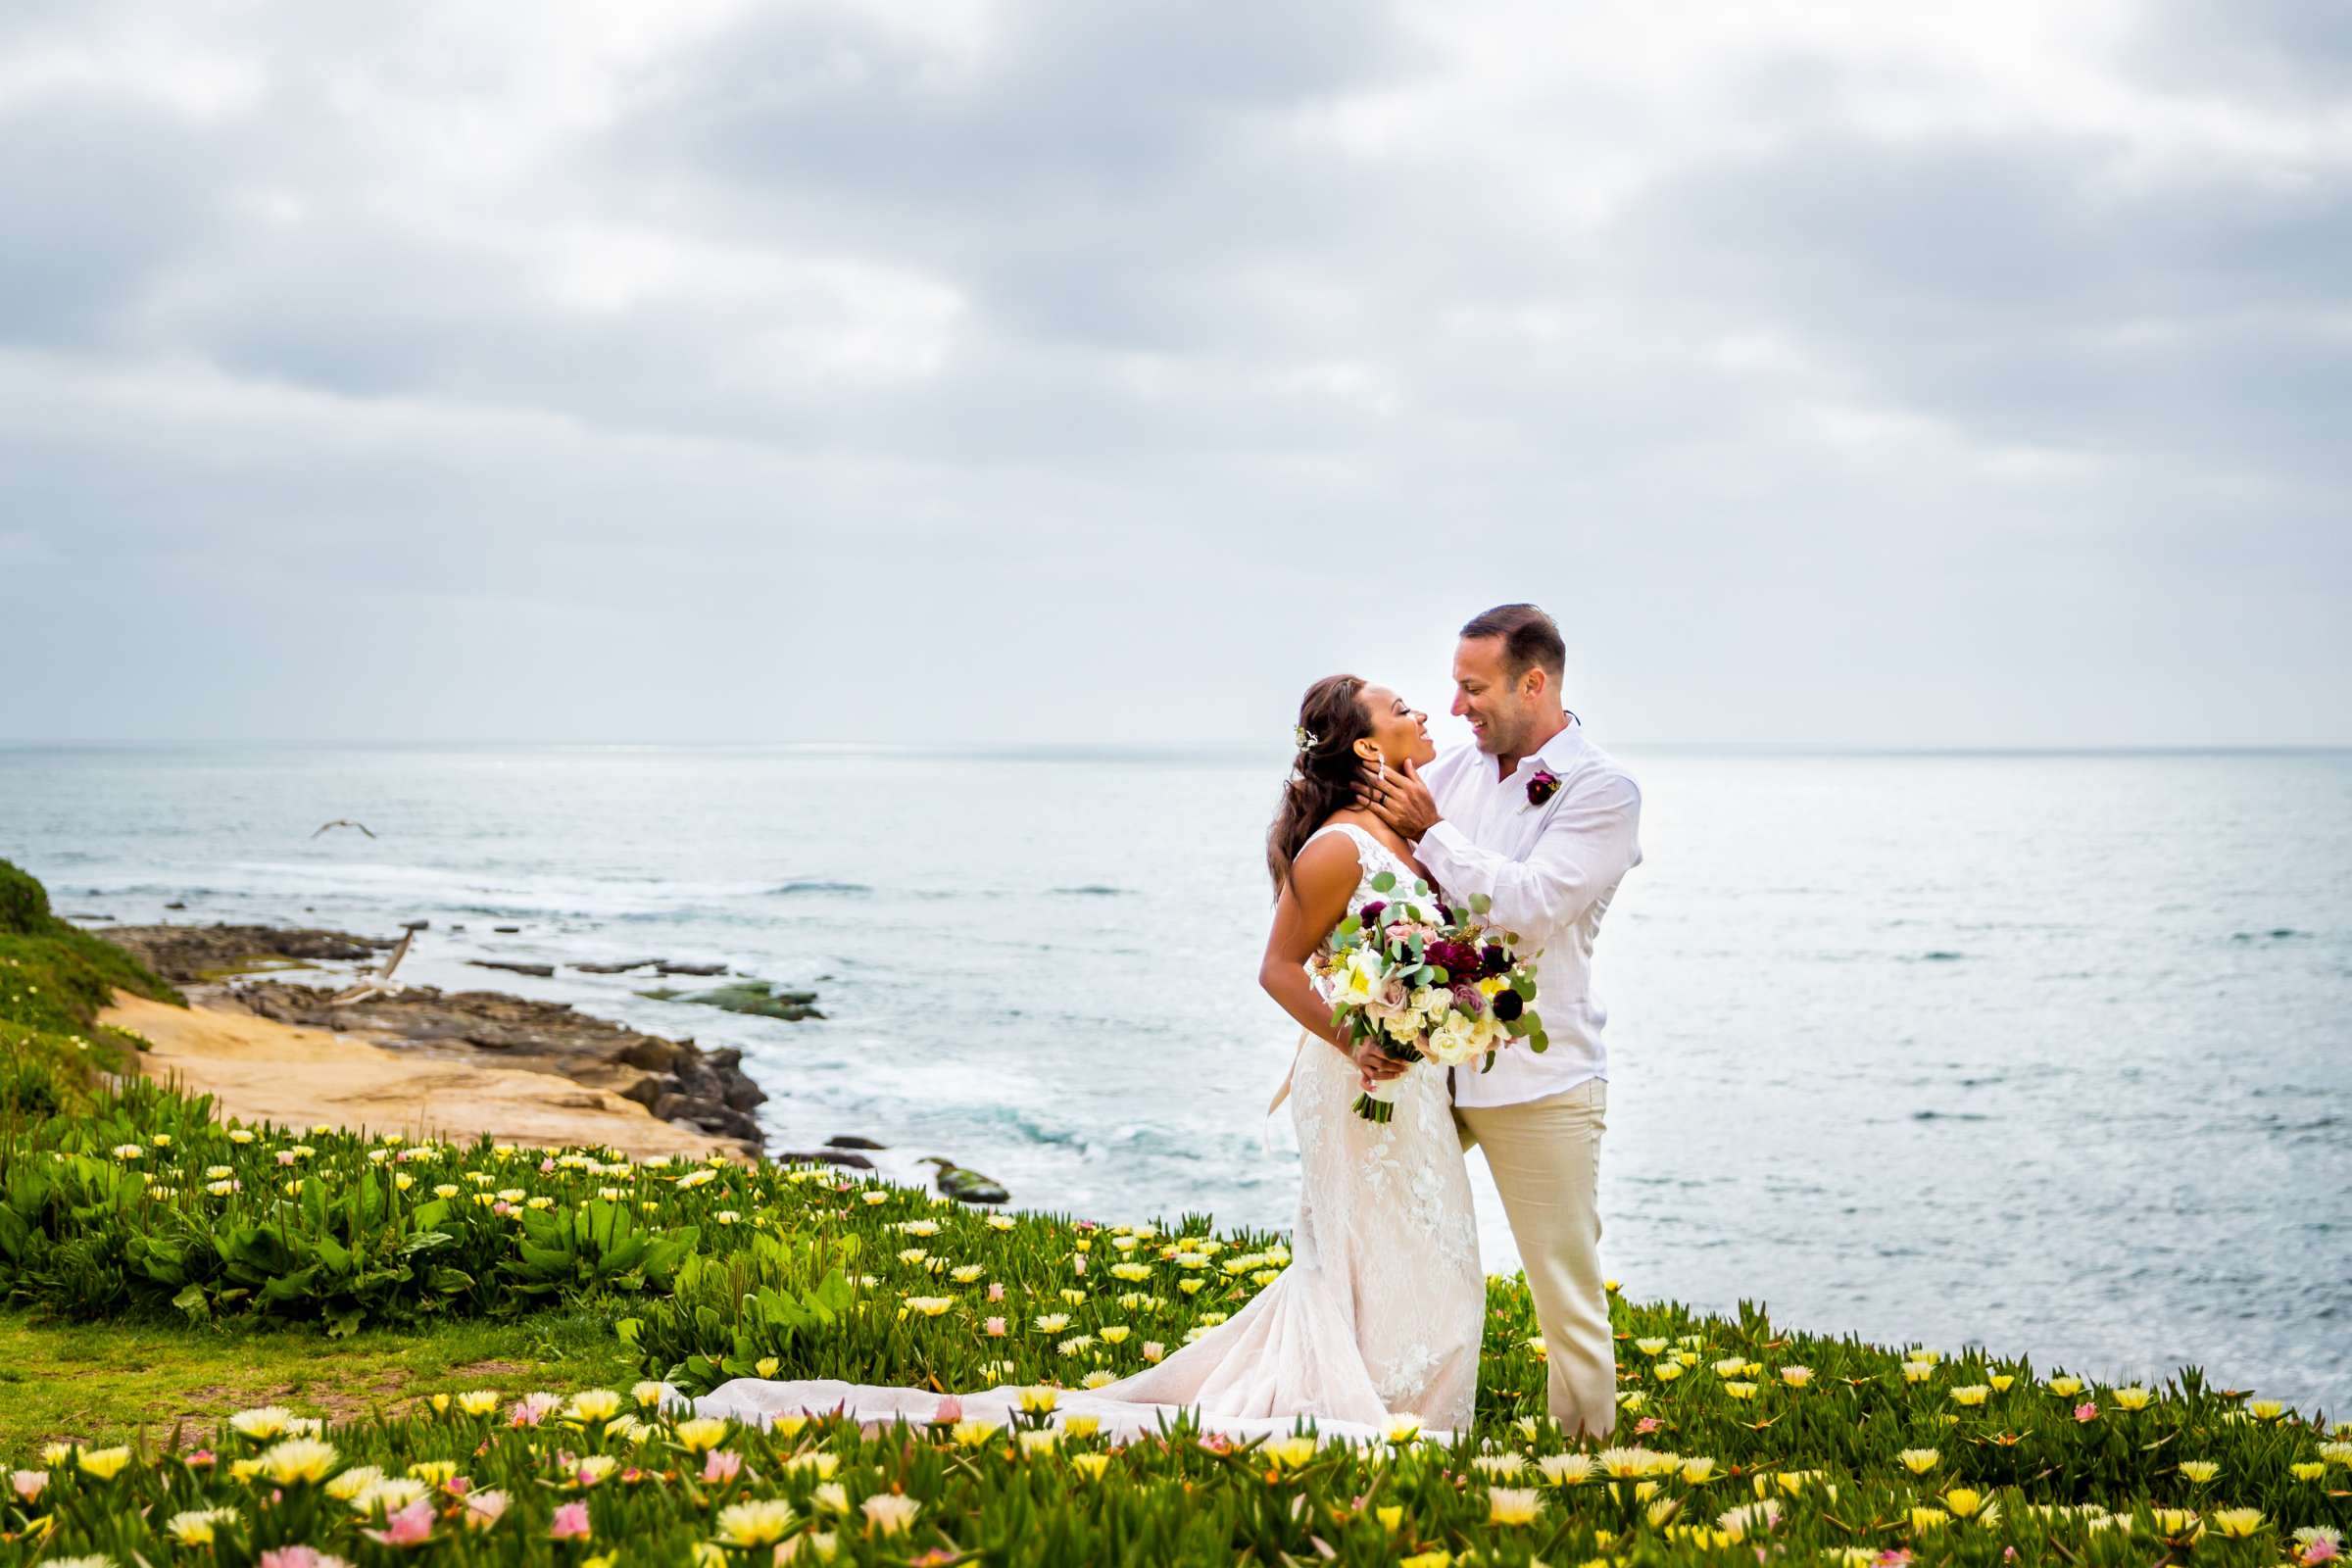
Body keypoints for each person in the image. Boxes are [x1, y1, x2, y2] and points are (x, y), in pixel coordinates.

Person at [691, 673, 1487, 1443]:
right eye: (1403, 708)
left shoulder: (1409, 830)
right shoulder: (1337, 848)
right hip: (1355, 1078)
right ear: (1363, 750)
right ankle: (1375, 1412)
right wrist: (1357, 1040)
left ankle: (1410, 1408)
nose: (1424, 714)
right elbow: (1277, 967)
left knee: (1431, 1247)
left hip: (1409, 1077)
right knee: (1371, 1251)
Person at [1355, 602, 1642, 1438]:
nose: (1456, 708)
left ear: (1535, 682)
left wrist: (1435, 836)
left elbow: (1528, 911)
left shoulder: (1602, 791)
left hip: (1540, 1081)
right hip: (1428, 1064)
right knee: (1376, 1230)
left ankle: (1584, 1458)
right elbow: (1371, 852)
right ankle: (1364, 1402)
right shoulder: (1450, 775)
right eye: (1452, 688)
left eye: (1473, 689)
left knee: (1565, 1288)